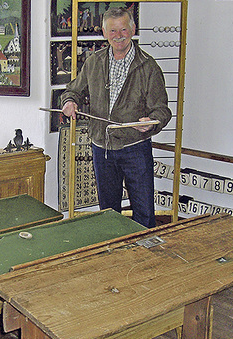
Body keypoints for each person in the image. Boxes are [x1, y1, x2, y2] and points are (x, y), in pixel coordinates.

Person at [61, 7, 172, 228]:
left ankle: (145, 258)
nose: (118, 35)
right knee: (108, 213)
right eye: (112, 30)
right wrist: (69, 102)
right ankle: (114, 256)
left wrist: (150, 123)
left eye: (123, 29)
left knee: (144, 212)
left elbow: (162, 110)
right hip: (101, 148)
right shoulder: (94, 62)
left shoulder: (148, 67)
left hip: (135, 148)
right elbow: (73, 90)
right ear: (104, 32)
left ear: (133, 29)